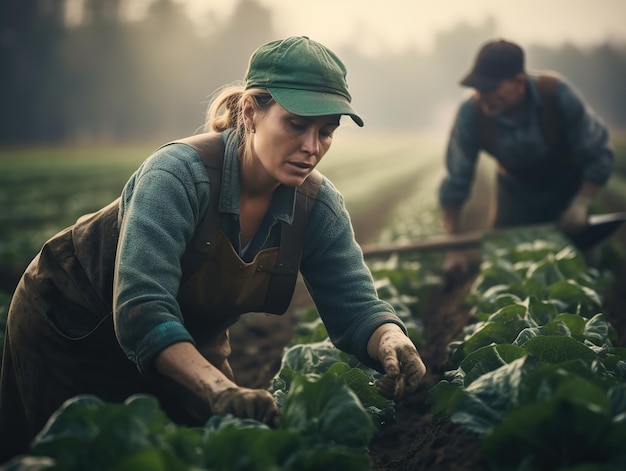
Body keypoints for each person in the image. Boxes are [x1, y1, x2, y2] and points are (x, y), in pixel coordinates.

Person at [0, 36, 426, 461]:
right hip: (73, 324)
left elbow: (355, 309)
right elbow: (142, 309)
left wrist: (390, 338)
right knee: (75, 456)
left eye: (326, 132)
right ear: (250, 113)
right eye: (296, 124)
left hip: (186, 338)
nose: (312, 147)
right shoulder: (178, 176)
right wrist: (219, 388)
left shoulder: (317, 208)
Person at [439, 39, 614, 277]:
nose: (483, 96)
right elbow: (455, 180)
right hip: (515, 194)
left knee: (579, 273)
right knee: (507, 270)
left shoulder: (557, 94)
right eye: (479, 88)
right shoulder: (471, 113)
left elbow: (599, 153)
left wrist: (582, 202)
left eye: (491, 88)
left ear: (519, 82)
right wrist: (454, 246)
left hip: (566, 190)